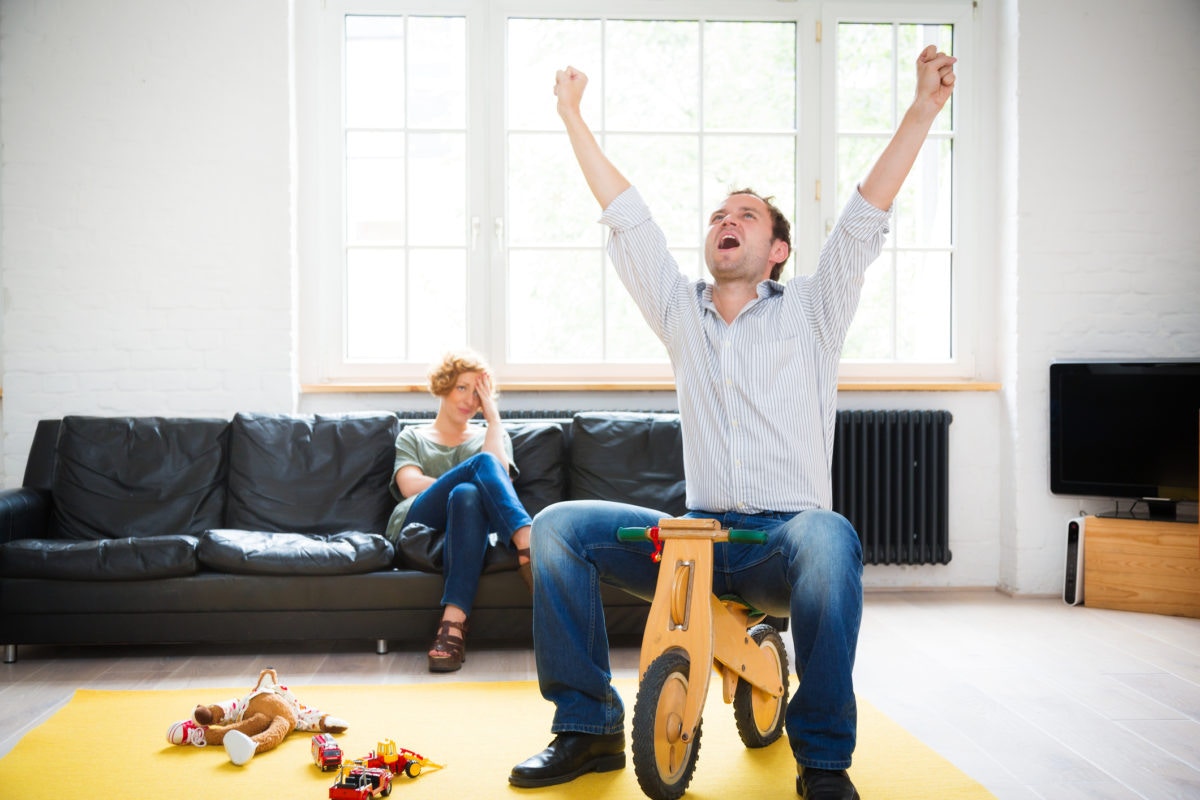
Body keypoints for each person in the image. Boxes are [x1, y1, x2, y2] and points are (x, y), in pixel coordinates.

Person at [508, 46, 957, 799]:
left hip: (784, 543)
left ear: (776, 251)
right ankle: (586, 729)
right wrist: (571, 117)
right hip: (701, 538)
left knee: (829, 533)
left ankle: (821, 761)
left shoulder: (814, 309)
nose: (727, 220)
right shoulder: (681, 312)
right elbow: (629, 219)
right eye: (719, 214)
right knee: (554, 528)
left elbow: (863, 219)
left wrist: (921, 111)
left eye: (746, 214)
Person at [385, 350, 534, 673]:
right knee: (477, 471)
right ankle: (528, 540)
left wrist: (494, 420)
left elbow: (502, 482)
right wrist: (462, 477)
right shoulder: (414, 436)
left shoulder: (490, 436)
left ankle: (452, 625)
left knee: (468, 493)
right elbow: (409, 485)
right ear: (443, 387)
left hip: (469, 532)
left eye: (478, 393)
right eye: (462, 388)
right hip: (418, 527)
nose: (469, 399)